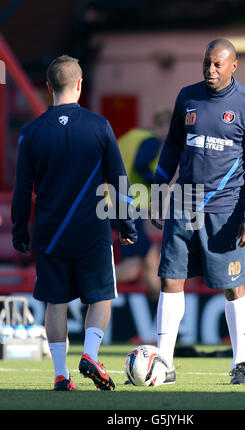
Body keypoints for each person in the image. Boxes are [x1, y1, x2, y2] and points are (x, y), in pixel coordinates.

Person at [151, 39, 245, 385]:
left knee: (234, 288)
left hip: (228, 212)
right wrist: (160, 193)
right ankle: (165, 364)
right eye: (207, 63)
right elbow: (172, 146)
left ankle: (239, 366)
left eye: (218, 64)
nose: (210, 70)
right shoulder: (186, 97)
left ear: (234, 66)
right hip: (184, 203)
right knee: (170, 280)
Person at [11, 55, 137, 391]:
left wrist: (20, 232)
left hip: (50, 234)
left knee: (56, 301)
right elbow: (119, 180)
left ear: (49, 86)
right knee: (100, 298)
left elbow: (22, 189)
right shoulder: (99, 126)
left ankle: (60, 374)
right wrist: (127, 226)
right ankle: (91, 354)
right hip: (92, 231)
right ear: (80, 85)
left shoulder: (31, 133)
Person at [113, 109, 172, 301]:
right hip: (127, 206)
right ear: (164, 127)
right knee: (131, 268)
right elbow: (141, 166)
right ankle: (84, 281)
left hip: (109, 201)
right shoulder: (153, 140)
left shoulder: (132, 136)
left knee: (149, 254)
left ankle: (158, 301)